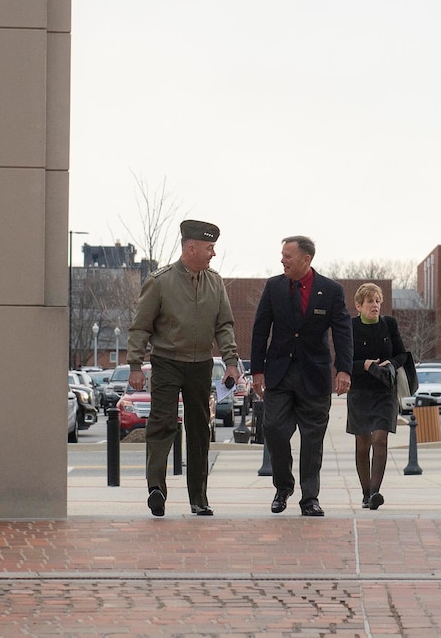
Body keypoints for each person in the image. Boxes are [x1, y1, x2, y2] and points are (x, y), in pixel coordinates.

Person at [127, 219, 241, 518]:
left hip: (201, 365)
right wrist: (135, 365)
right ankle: (156, 489)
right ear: (191, 248)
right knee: (161, 424)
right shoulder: (160, 280)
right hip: (166, 363)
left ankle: (199, 498)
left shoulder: (215, 282)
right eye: (209, 248)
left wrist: (230, 362)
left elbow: (224, 325)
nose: (213, 254)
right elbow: (140, 327)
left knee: (200, 431)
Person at [250, 235, 353, 517]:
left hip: (315, 376)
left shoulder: (330, 290)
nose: (282, 259)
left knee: (312, 438)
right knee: (273, 429)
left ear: (305, 259)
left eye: (287, 255)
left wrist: (344, 369)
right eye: (282, 255)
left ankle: (310, 498)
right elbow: (260, 329)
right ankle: (283, 487)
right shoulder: (273, 287)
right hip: (279, 374)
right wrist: (257, 370)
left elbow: (343, 331)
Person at [346, 283, 408, 510]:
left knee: (379, 439)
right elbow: (343, 363)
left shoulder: (389, 324)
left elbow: (402, 354)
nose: (375, 305)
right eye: (370, 301)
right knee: (362, 443)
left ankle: (375, 493)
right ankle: (365, 492)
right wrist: (364, 364)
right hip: (360, 392)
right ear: (358, 305)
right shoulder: (350, 327)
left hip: (385, 391)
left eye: (377, 301)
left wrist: (390, 363)